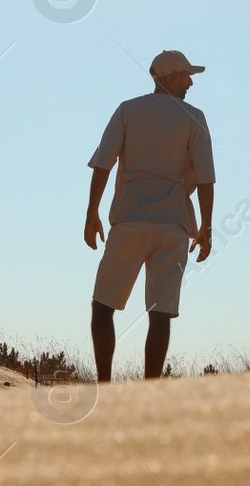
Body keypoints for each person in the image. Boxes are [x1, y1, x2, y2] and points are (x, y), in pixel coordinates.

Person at [84, 50, 215, 381]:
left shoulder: (128, 110)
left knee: (102, 307)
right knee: (161, 313)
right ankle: (150, 393)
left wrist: (92, 213)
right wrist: (205, 227)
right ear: (169, 76)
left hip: (129, 220)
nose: (189, 82)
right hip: (173, 226)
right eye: (185, 76)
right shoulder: (195, 117)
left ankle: (105, 386)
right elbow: (205, 179)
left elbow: (104, 163)